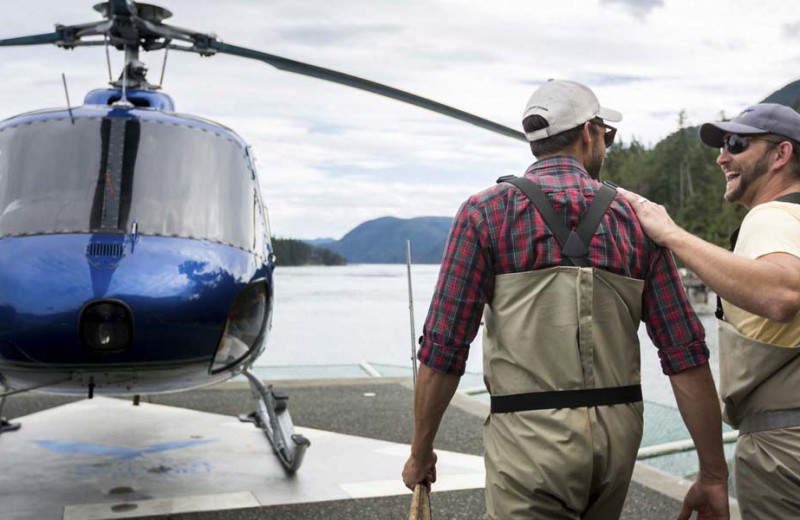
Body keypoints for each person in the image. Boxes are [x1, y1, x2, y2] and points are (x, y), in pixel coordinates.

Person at [401, 79, 729, 520]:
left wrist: (421, 451)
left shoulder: (485, 214)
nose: (606, 146)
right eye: (606, 137)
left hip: (528, 441)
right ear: (589, 132)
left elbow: (444, 347)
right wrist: (712, 473)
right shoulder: (637, 220)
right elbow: (684, 352)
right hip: (617, 444)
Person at [619, 102, 800, 519]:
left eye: (736, 144)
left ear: (781, 155)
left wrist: (671, 235)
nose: (722, 157)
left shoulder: (771, 217)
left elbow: (782, 293)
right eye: (722, 145)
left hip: (784, 451)